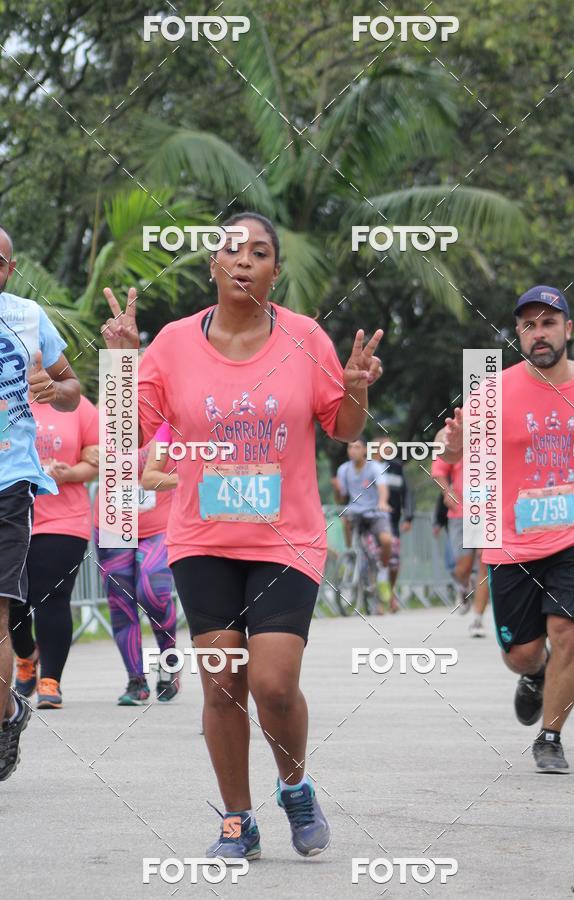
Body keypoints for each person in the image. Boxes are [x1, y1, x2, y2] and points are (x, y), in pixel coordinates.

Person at [101, 212, 384, 859]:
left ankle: (295, 786)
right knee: (223, 682)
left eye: (260, 252)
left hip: (287, 538)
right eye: (232, 250)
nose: (244, 260)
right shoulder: (171, 345)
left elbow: (342, 426)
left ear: (274, 272)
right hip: (203, 537)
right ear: (213, 266)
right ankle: (237, 819)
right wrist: (121, 364)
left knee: (274, 683)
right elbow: (128, 436)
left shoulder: (307, 337)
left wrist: (359, 389)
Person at [441, 285, 574, 773]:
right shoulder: (491, 390)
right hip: (510, 541)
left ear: (568, 330)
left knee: (568, 632)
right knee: (524, 653)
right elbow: (451, 453)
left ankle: (550, 737)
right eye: (529, 325)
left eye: (549, 323)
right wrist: (453, 446)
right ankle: (533, 676)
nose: (540, 333)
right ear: (518, 335)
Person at [0, 225, 80, 780]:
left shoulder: (29, 317)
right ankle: (10, 709)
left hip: (9, 482)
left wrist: (58, 390)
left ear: (7, 268)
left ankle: (3, 719)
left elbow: (72, 388)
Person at [10, 396, 99, 708]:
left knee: (51, 599)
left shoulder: (76, 405)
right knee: (13, 602)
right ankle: (25, 656)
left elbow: (97, 459)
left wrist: (70, 473)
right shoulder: (7, 398)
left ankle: (51, 680)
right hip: (12, 518)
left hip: (63, 520)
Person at [93, 419, 179, 705]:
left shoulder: (167, 419)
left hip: (158, 525)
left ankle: (169, 664)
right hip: (111, 524)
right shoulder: (103, 418)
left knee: (153, 593)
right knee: (121, 603)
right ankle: (136, 681)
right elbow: (86, 455)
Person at [334, 438, 393, 613]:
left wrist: (383, 502)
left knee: (387, 541)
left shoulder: (374, 467)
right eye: (350, 447)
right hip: (355, 511)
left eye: (357, 447)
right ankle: (350, 554)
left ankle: (382, 573)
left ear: (365, 450)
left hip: (375, 512)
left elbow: (383, 489)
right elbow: (341, 498)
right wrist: (337, 490)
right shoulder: (343, 470)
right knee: (344, 517)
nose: (353, 450)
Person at [370, 446, 414, 610]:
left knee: (393, 562)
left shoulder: (396, 467)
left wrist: (408, 516)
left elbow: (407, 493)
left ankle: (391, 591)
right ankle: (379, 601)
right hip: (370, 520)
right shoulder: (366, 467)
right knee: (373, 559)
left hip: (392, 522)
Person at [430, 457, 476, 614]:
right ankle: (464, 586)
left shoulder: (493, 438)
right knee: (462, 567)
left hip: (489, 512)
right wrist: (447, 492)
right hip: (460, 513)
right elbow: (437, 472)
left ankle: (479, 619)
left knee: (484, 562)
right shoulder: (454, 438)